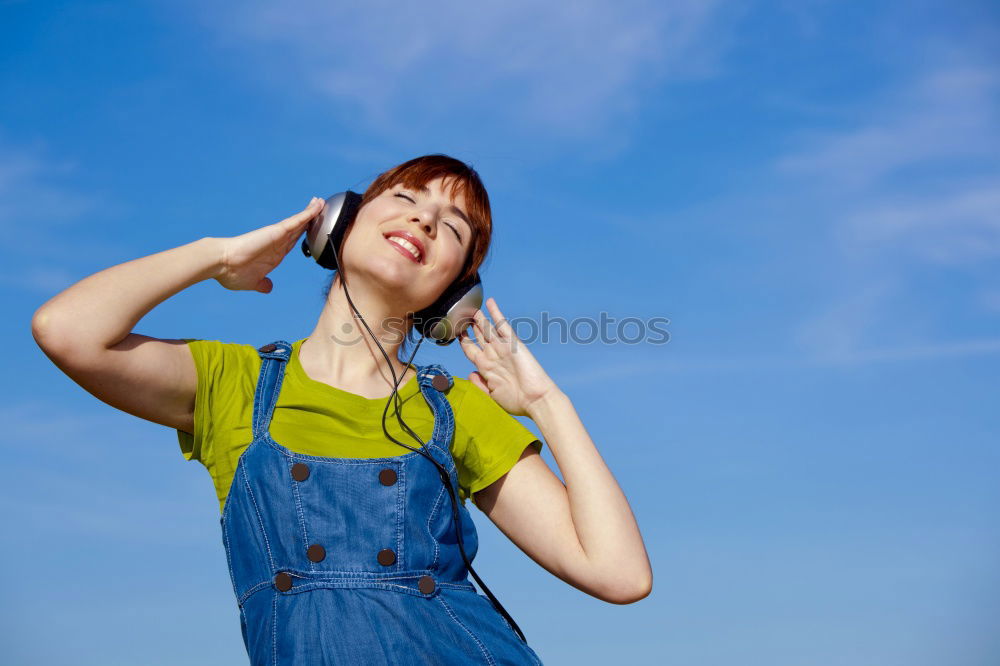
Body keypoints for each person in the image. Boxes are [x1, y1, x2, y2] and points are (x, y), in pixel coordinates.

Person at [31, 154, 652, 664]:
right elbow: (66, 330)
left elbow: (619, 575)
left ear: (454, 292)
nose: (427, 219)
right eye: (406, 199)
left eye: (453, 227)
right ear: (340, 223)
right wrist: (219, 257)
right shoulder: (234, 382)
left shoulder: (454, 410)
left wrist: (547, 403)